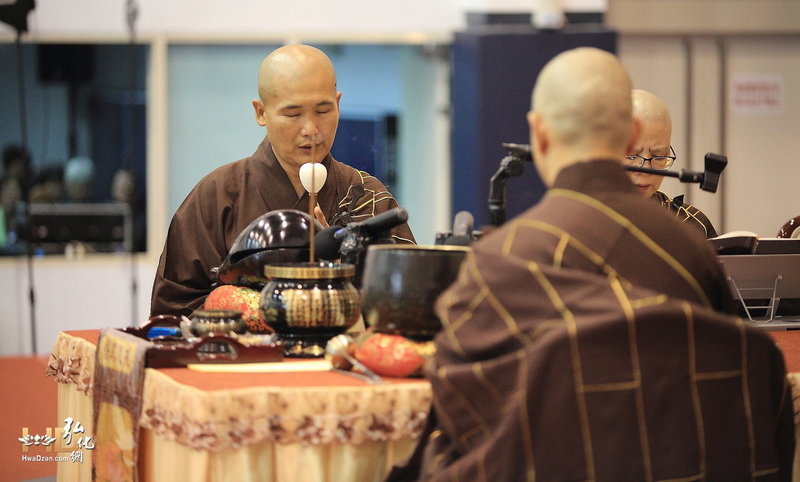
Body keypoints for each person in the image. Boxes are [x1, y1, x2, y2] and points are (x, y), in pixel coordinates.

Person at [392, 48, 793, 481]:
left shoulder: (502, 259)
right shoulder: (693, 253)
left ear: (539, 133)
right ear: (632, 132)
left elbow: (460, 410)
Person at [150, 44, 415, 318]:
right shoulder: (217, 196)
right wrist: (252, 311)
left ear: (337, 104)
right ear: (261, 112)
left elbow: (406, 301)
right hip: (247, 360)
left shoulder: (366, 196)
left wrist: (341, 271)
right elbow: (172, 311)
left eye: (323, 111)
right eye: (292, 113)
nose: (311, 129)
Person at [626, 89, 718, 238]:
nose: (645, 169)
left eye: (659, 156)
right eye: (631, 155)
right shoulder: (584, 218)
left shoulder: (690, 224)